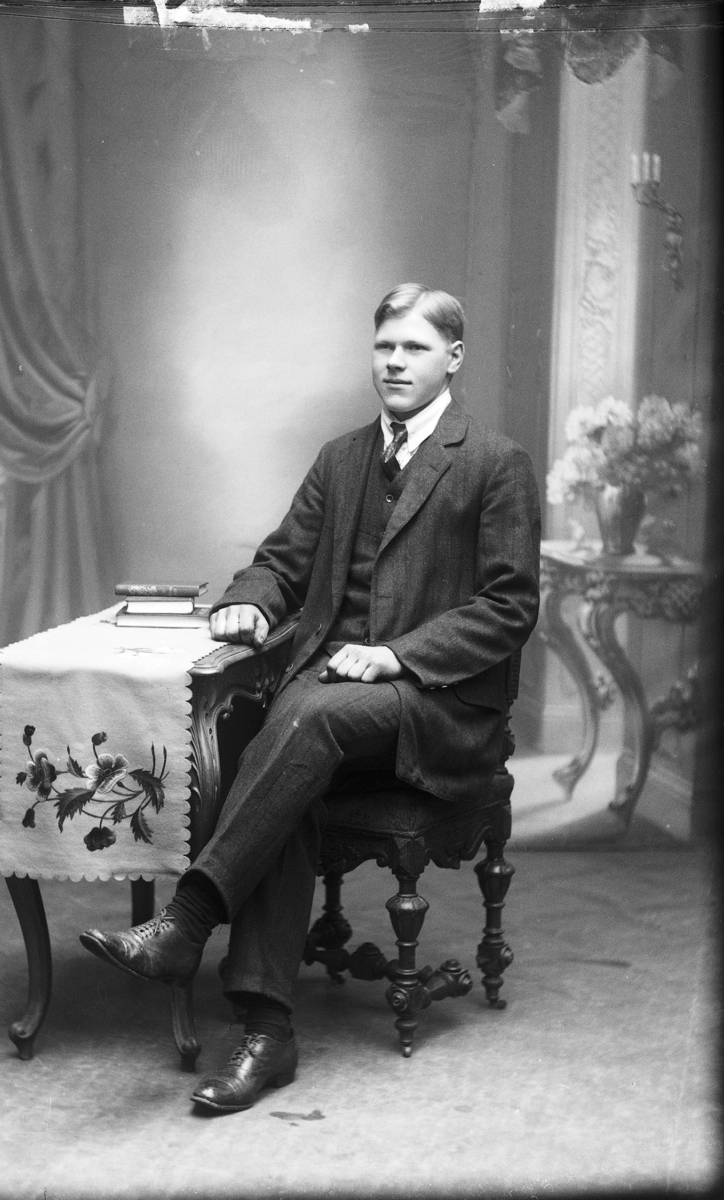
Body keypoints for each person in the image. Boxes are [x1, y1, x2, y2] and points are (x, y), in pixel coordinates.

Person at [81, 283, 541, 1113]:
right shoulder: (342, 458)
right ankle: (267, 1034)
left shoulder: (493, 461)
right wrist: (253, 601)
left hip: (437, 706)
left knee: (303, 719)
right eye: (384, 347)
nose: (394, 362)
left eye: (414, 348)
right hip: (328, 702)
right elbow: (282, 559)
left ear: (454, 358)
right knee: (288, 750)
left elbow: (510, 606)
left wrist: (395, 655)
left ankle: (186, 924)